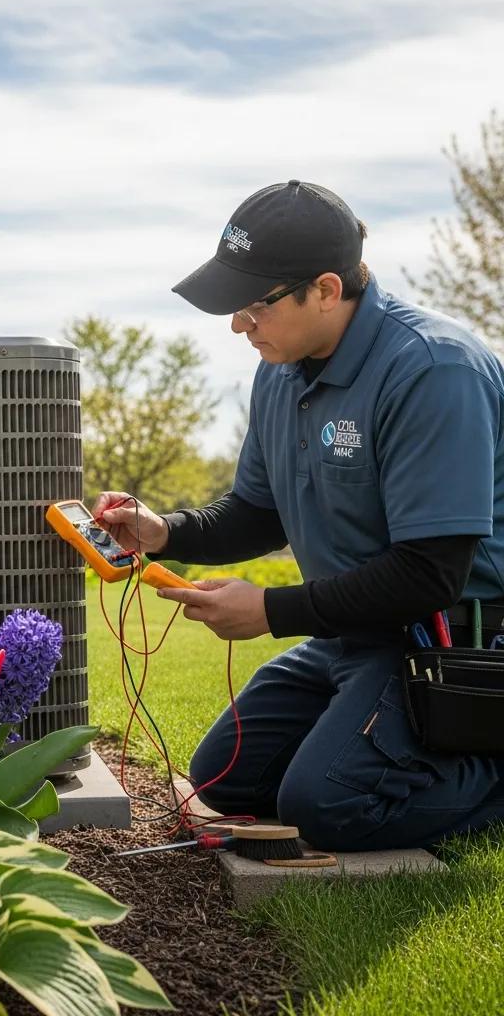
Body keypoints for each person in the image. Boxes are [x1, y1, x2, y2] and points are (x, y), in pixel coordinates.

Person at [95, 179, 504, 852]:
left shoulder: (433, 370)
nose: (237, 324)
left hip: (448, 648)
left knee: (326, 808)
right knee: (225, 779)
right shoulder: (280, 371)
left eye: (256, 303)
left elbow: (430, 575)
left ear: (324, 289)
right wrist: (164, 531)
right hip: (351, 637)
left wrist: (270, 611)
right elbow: (259, 512)